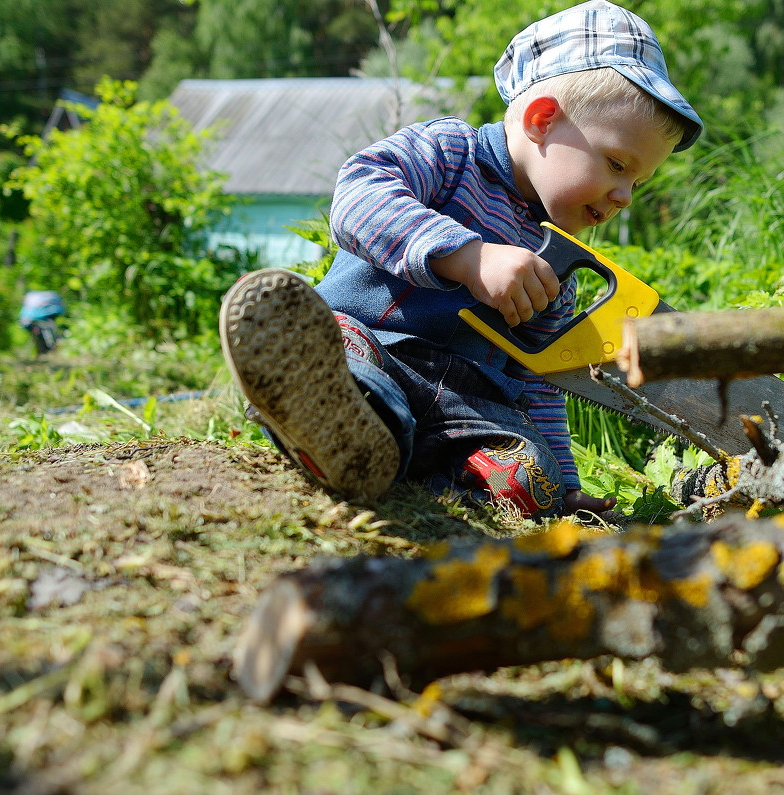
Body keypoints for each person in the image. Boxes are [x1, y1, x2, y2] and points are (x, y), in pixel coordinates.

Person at [219, 0, 702, 519]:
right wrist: (467, 256)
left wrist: (562, 485)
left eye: (637, 182)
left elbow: (543, 379)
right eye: (615, 165)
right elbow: (358, 197)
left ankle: (391, 463)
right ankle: (334, 415)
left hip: (462, 411)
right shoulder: (450, 155)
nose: (625, 195)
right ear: (542, 119)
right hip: (370, 350)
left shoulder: (560, 271)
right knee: (356, 376)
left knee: (528, 475)